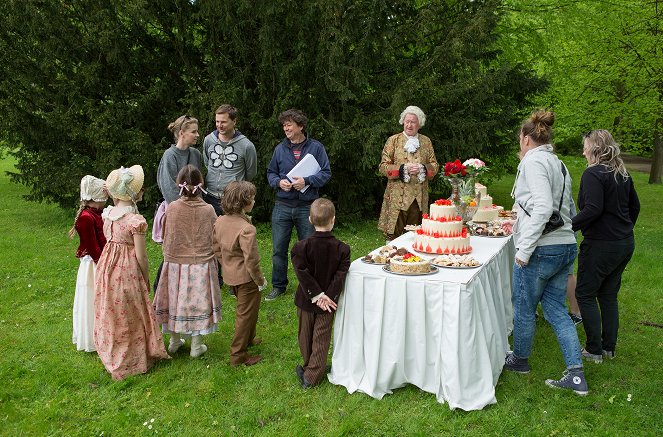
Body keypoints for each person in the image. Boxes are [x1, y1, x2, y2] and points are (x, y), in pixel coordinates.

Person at [505, 110, 588, 395]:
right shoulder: (558, 163)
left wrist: (524, 249)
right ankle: (576, 375)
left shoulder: (534, 162)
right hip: (564, 244)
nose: (519, 143)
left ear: (527, 139)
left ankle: (519, 360)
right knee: (555, 309)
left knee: (524, 307)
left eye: (519, 138)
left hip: (542, 248)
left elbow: (542, 207)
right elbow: (567, 208)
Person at [94, 165, 169, 380]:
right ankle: (130, 358)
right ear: (134, 193)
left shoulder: (108, 214)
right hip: (126, 269)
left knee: (114, 309)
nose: (143, 191)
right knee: (131, 310)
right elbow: (141, 256)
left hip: (108, 266)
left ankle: (115, 349)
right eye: (140, 188)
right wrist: (144, 276)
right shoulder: (135, 221)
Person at [572, 129, 640, 363]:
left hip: (602, 245)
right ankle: (608, 348)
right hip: (624, 243)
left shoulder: (593, 174)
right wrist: (623, 228)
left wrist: (567, 227)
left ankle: (593, 350)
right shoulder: (621, 173)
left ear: (595, 149)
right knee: (608, 295)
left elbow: (593, 209)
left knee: (585, 293)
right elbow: (635, 208)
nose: (583, 151)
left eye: (585, 146)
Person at [153, 165, 221, 358]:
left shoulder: (172, 208)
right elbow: (215, 235)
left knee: (174, 301)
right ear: (201, 185)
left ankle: (174, 341)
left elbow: (166, 235)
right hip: (201, 263)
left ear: (179, 185)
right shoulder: (208, 210)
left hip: (175, 264)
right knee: (198, 302)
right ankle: (196, 345)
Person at [266, 109, 331, 301]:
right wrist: (279, 182)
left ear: (300, 126)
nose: (285, 128)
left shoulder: (316, 148)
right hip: (282, 205)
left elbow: (326, 173)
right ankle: (278, 286)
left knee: (309, 248)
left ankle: (311, 286)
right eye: (284, 125)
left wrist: (307, 181)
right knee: (278, 248)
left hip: (307, 206)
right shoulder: (279, 149)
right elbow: (271, 173)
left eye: (289, 125)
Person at [291, 198, 351, 388]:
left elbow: (302, 272)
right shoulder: (342, 249)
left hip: (309, 300)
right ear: (333, 220)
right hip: (326, 302)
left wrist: (319, 296)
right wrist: (326, 296)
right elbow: (339, 276)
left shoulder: (300, 247)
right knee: (320, 335)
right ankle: (311, 366)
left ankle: (311, 377)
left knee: (306, 333)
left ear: (309, 219)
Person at [213, 181, 267, 366]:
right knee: (244, 315)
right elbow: (251, 261)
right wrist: (260, 280)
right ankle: (238, 355)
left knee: (249, 310)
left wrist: (227, 265)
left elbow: (216, 248)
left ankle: (249, 338)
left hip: (231, 276)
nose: (254, 200)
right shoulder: (246, 229)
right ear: (244, 202)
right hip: (247, 279)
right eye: (252, 198)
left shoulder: (220, 221)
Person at [154, 115, 204, 290]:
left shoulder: (195, 154)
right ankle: (165, 284)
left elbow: (199, 181)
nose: (197, 135)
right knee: (175, 249)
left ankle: (189, 282)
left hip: (195, 209)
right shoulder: (170, 156)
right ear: (182, 133)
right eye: (194, 131)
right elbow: (168, 186)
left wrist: (197, 205)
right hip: (176, 210)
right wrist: (185, 208)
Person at [378, 105, 439, 242]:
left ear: (419, 124)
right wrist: (402, 169)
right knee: (394, 237)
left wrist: (423, 168)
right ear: (403, 122)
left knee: (416, 237)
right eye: (407, 121)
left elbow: (435, 165)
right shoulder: (393, 140)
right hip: (397, 199)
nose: (409, 125)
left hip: (418, 199)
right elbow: (383, 167)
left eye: (413, 122)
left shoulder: (426, 142)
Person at [69, 175, 108, 352]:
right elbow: (93, 247)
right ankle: (92, 338)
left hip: (100, 259)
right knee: (92, 298)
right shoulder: (86, 217)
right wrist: (103, 265)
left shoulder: (96, 213)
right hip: (93, 265)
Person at [202, 104, 258, 216]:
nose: (219, 125)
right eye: (217, 122)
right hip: (209, 197)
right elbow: (207, 163)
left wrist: (235, 186)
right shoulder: (208, 140)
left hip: (233, 200)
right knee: (209, 232)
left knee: (231, 232)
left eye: (223, 122)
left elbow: (251, 172)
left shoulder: (246, 146)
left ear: (234, 121)